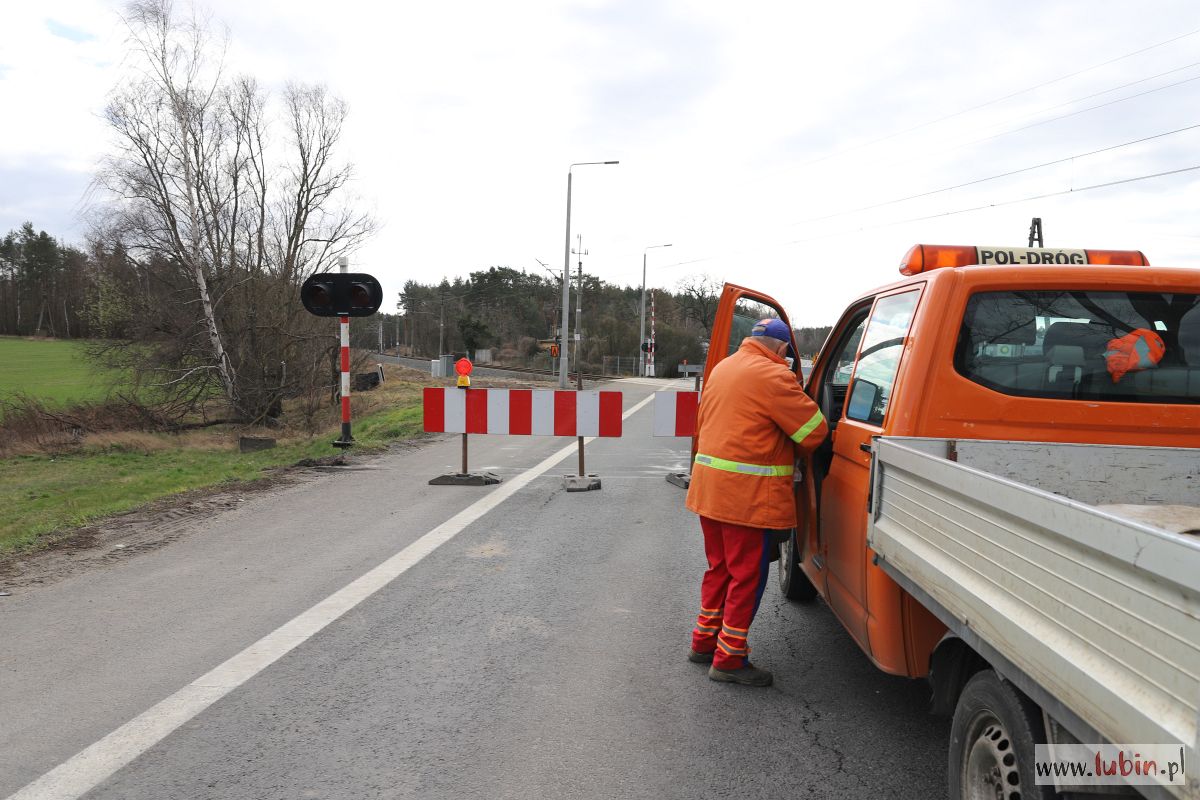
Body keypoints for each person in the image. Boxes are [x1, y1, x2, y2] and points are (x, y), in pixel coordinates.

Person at [685, 317, 828, 686]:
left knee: (719, 569)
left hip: (709, 490)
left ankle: (703, 643)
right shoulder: (774, 376)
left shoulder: (723, 367)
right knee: (746, 576)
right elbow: (814, 433)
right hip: (744, 499)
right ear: (782, 350)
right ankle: (730, 660)